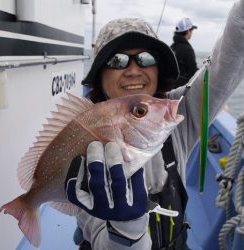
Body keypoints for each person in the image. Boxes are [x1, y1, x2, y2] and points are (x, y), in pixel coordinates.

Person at [65, 1, 244, 249]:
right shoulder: (82, 137)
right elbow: (99, 239)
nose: (134, 70)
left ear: (159, 70)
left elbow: (227, 62)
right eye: (117, 60)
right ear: (99, 75)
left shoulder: (174, 113)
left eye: (146, 58)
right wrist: (125, 235)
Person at [170, 18, 198, 88]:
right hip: (181, 91)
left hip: (169, 88)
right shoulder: (187, 49)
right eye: (192, 30)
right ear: (188, 31)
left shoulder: (172, 47)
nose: (192, 33)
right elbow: (194, 72)